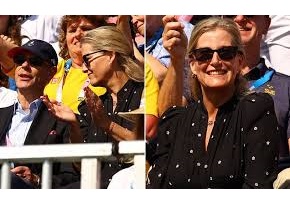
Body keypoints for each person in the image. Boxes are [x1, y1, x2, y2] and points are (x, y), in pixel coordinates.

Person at [147, 17, 279, 189]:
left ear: (239, 61)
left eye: (226, 53)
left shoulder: (255, 109)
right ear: (193, 65)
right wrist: (176, 59)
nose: (215, 61)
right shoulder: (175, 121)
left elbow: (257, 187)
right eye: (204, 55)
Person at [42, 26, 144, 188]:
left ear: (110, 55)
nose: (83, 69)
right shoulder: (91, 106)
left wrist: (107, 125)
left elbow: (147, 148)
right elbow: (81, 166)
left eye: (87, 60)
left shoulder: (145, 94)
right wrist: (74, 124)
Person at [0, 39, 77, 189]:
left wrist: (37, 179)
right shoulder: (2, 114)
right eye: (19, 60)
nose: (24, 66)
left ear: (51, 72)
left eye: (35, 61)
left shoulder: (63, 120)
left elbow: (72, 176)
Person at [224, 15, 290, 167]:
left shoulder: (286, 87)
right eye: (230, 13)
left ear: (266, 24)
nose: (240, 17)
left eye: (250, 12)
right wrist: (176, 60)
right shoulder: (201, 79)